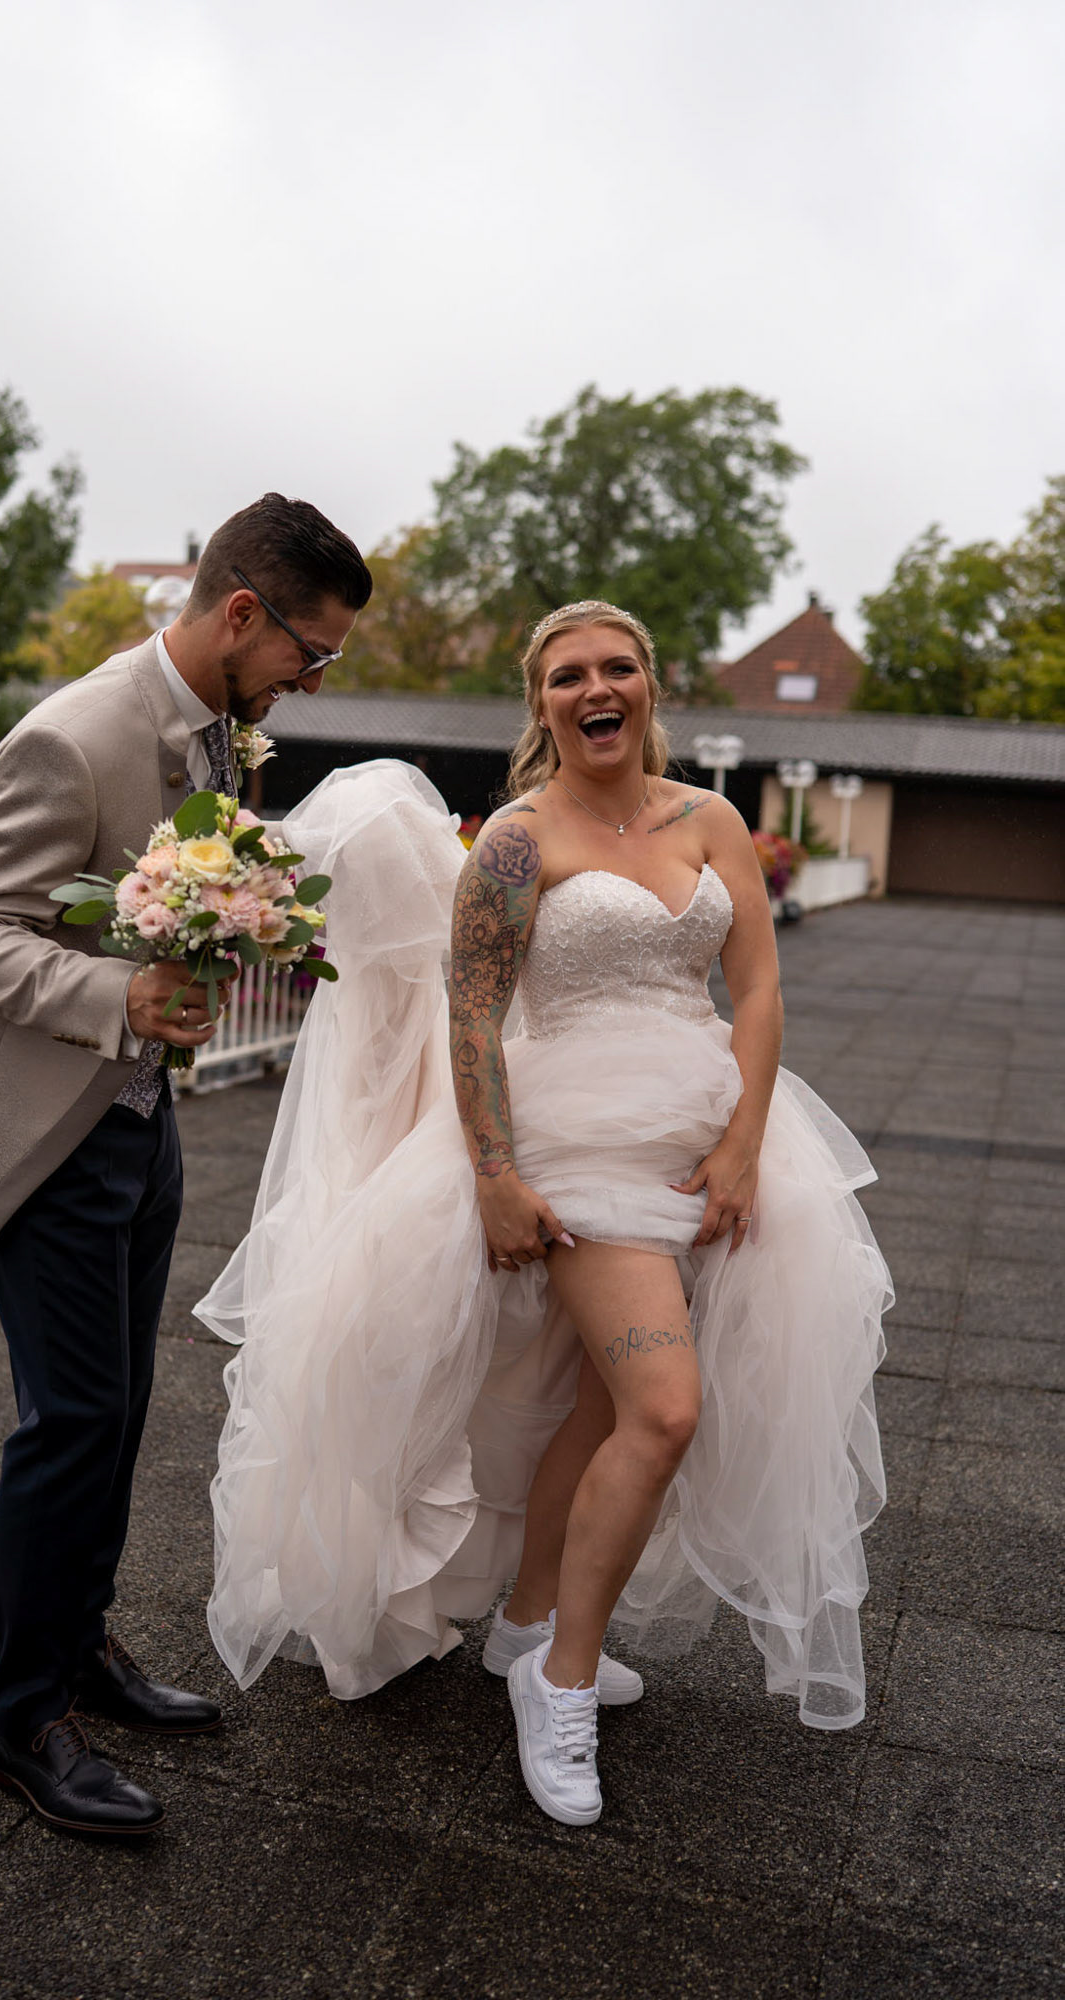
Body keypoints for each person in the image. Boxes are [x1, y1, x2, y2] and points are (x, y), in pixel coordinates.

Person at [198, 601, 891, 1829]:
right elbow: (470, 1013)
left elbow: (756, 989)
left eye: (617, 666)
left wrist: (741, 1145)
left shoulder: (711, 819)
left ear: (648, 684)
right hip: (576, 1141)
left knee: (598, 1403)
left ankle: (525, 1622)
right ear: (542, 703)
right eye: (568, 674)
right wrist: (493, 1172)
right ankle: (559, 1682)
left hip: (707, 1133)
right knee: (664, 1407)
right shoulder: (517, 841)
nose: (594, 687)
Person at [0, 494, 372, 1835]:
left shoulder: (224, 731)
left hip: (139, 1121)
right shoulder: (69, 737)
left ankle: (80, 1646)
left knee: (117, 1414)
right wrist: (120, 997)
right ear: (241, 612)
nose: (311, 678)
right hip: (52, 1135)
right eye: (309, 650)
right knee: (68, 1424)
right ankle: (22, 1722)